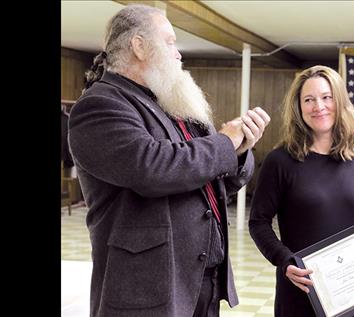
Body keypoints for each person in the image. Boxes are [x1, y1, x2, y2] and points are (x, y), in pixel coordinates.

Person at [68, 4, 270, 317]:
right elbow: (153, 168)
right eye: (170, 42)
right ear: (138, 45)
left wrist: (240, 150)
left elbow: (212, 178)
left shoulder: (171, 103)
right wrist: (225, 141)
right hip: (148, 289)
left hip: (201, 280)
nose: (178, 54)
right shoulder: (99, 106)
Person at [248, 65, 354, 317]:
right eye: (308, 99)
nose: (318, 106)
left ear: (339, 101)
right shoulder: (280, 161)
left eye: (326, 97)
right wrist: (285, 262)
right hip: (302, 289)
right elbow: (258, 222)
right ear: (298, 108)